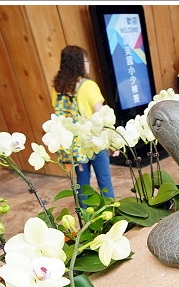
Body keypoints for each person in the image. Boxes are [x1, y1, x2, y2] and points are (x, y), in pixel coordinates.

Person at [51, 45, 114, 205]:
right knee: (104, 181)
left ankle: (85, 214)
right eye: (86, 61)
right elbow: (100, 117)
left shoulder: (58, 89)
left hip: (74, 145)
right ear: (79, 63)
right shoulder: (88, 86)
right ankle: (110, 210)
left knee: (82, 183)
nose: (88, 64)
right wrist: (110, 142)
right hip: (94, 142)